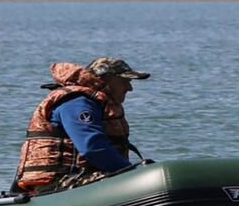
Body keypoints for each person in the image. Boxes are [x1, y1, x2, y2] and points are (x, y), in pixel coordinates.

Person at [13, 57, 150, 193]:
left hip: (79, 179)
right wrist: (131, 173)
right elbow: (92, 147)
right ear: (105, 80)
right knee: (144, 185)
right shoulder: (77, 102)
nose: (129, 88)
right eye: (124, 81)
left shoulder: (94, 103)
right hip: (61, 183)